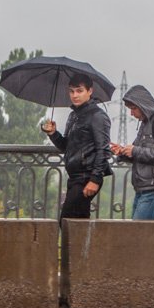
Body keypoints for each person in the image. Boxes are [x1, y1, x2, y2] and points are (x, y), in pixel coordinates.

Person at [41, 74, 111, 221]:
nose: (75, 95)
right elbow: (66, 146)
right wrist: (53, 133)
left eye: (79, 91)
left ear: (90, 91)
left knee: (67, 221)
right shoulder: (73, 116)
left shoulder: (97, 116)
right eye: (71, 91)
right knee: (78, 223)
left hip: (87, 177)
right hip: (74, 177)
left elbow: (103, 150)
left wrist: (95, 179)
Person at [110, 84, 154, 220]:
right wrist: (123, 152)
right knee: (140, 231)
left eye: (133, 108)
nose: (131, 113)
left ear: (143, 105)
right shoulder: (145, 124)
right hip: (144, 188)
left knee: (138, 231)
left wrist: (134, 150)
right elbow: (139, 153)